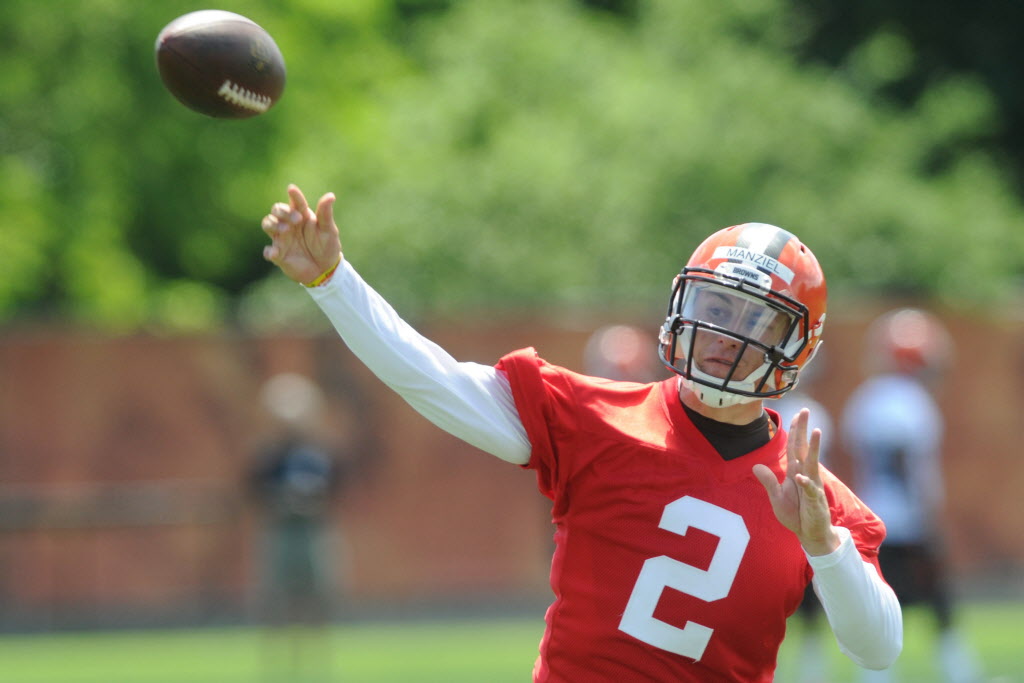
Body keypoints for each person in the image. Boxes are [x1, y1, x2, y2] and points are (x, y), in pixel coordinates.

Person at [259, 184, 903, 682]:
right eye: (714, 307)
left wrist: (824, 546)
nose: (722, 332)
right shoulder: (595, 418)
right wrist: (333, 283)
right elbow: (433, 378)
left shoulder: (814, 499)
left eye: (753, 319)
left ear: (795, 345)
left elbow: (878, 648)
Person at [841, 308, 980, 683]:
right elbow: (902, 466)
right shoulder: (908, 402)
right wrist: (926, 518)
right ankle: (960, 673)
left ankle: (877, 678)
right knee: (939, 604)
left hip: (874, 521)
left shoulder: (868, 397)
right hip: (906, 523)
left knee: (881, 610)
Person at [247, 372, 346, 682]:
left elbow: (338, 490)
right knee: (278, 601)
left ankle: (316, 663)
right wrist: (281, 501)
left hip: (314, 532)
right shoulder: (269, 455)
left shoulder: (321, 452)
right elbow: (253, 491)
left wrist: (311, 501)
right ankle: (279, 664)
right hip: (282, 533)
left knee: (317, 600)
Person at [771, 349, 834, 683]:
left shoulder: (773, 412)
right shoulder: (815, 413)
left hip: (771, 523)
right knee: (809, 614)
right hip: (803, 525)